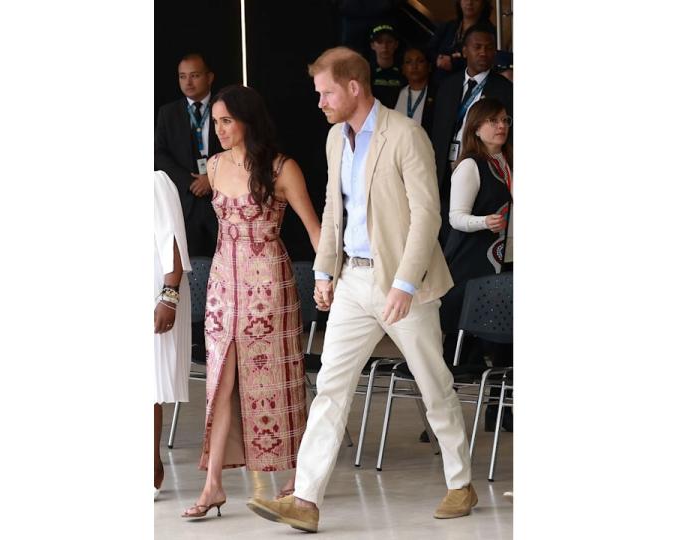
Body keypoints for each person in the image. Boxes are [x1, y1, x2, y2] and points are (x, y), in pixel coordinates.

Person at [246, 47, 477, 534]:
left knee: (434, 384)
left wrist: (405, 283)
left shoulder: (405, 135)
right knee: (330, 386)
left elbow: (426, 216)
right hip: (352, 278)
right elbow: (335, 208)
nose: (320, 102)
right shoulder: (335, 138)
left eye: (326, 92)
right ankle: (306, 499)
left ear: (354, 87)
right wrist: (325, 272)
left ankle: (461, 482)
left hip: (401, 281)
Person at [182, 85, 322, 519]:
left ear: (248, 120)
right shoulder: (216, 164)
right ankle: (213, 485)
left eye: (227, 120)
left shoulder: (282, 167)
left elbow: (315, 231)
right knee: (220, 382)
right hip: (224, 285)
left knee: (281, 375)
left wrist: (329, 279)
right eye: (216, 121)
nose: (219, 129)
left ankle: (298, 473)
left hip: (270, 286)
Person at [440, 97, 512, 366]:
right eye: (493, 120)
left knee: (504, 344)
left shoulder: (507, 162)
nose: (501, 125)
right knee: (461, 349)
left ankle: (500, 408)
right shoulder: (470, 165)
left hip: (502, 264)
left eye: (505, 120)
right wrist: (484, 222)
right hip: (471, 265)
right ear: (476, 128)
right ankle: (443, 404)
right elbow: (456, 218)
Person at [430, 24, 512, 245]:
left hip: (482, 167)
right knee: (444, 228)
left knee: (470, 227)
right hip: (444, 168)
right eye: (477, 47)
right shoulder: (448, 85)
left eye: (489, 47)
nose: (483, 52)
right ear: (465, 50)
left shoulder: (505, 89)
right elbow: (435, 130)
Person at [155, 53, 224, 257]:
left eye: (194, 75)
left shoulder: (225, 107)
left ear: (209, 77)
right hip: (185, 200)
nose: (188, 82)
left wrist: (210, 179)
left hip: (221, 197)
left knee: (224, 257)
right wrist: (189, 182)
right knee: (189, 261)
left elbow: (237, 148)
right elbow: (159, 154)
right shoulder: (168, 113)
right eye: (182, 76)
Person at [153, 170, 192, 500]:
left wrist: (169, 295)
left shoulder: (154, 181)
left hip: (155, 291)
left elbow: (173, 241)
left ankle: (151, 466)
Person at [427, 0, 492, 85]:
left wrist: (454, 63)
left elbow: (485, 61)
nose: (469, 2)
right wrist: (438, 59)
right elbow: (429, 50)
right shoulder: (448, 26)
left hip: (471, 84)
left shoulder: (489, 32)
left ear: (483, 3)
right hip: (440, 84)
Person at [393, 46, 437, 135]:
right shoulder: (394, 94)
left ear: (429, 66)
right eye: (408, 62)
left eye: (420, 61)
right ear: (403, 69)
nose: (414, 66)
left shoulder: (438, 95)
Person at [369, 23, 406, 109]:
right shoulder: (366, 71)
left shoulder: (404, 71)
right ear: (372, 45)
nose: (385, 46)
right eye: (379, 42)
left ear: (396, 44)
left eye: (389, 41)